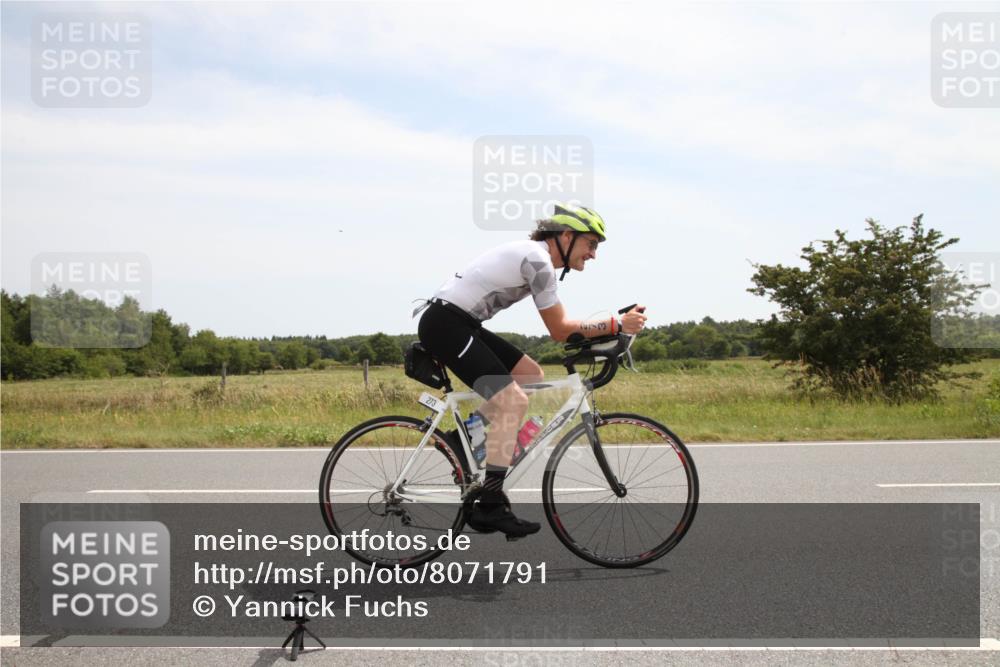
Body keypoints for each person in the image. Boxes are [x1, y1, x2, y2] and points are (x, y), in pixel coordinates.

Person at [416, 203, 647, 537]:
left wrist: (613, 329)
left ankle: (460, 439)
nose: (593, 254)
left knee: (530, 375)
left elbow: (564, 329)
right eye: (591, 244)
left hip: (459, 322)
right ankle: (491, 504)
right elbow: (560, 330)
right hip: (446, 324)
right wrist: (616, 322)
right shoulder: (537, 261)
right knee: (513, 402)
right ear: (566, 236)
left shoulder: (538, 259)